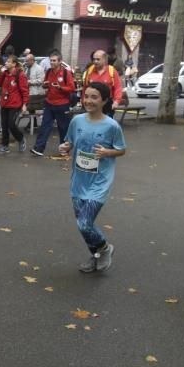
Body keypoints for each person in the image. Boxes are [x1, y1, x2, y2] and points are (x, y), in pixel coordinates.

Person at [59, 82, 126, 273]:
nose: (88, 100)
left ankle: (105, 249)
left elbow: (121, 150)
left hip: (100, 183)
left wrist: (107, 152)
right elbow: (69, 142)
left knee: (84, 222)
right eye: (86, 96)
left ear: (105, 100)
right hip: (78, 182)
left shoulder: (112, 126)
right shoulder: (77, 121)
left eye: (94, 97)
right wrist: (65, 147)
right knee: (83, 227)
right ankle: (95, 256)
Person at [33, 52, 76, 156]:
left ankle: (64, 150)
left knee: (63, 128)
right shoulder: (48, 72)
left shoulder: (66, 73)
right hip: (49, 103)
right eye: (51, 60)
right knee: (44, 126)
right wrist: (44, 85)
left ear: (60, 61)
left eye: (54, 60)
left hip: (62, 104)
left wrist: (60, 88)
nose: (52, 62)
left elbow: (72, 88)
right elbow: (45, 86)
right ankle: (38, 148)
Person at [0, 55, 29, 154]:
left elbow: (25, 90)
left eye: (8, 62)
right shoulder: (4, 74)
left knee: (11, 124)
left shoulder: (20, 75)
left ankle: (20, 139)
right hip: (4, 103)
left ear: (14, 64)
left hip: (15, 104)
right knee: (4, 125)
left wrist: (24, 104)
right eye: (6, 62)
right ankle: (5, 145)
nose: (6, 63)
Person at [82, 49, 123, 116]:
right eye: (94, 59)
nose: (95, 61)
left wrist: (116, 102)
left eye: (98, 59)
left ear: (104, 60)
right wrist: (83, 99)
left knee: (106, 125)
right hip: (92, 103)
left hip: (107, 104)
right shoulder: (90, 70)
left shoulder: (112, 71)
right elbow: (85, 88)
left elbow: (118, 87)